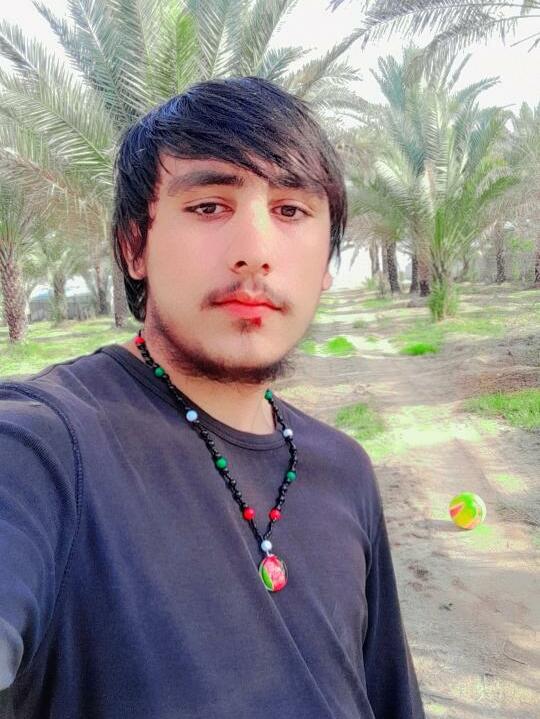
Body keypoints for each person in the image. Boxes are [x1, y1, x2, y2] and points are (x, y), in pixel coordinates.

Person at [0, 77, 425, 719]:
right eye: (208, 206)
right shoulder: (46, 448)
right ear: (134, 247)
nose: (254, 253)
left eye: (291, 211)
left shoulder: (344, 469)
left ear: (326, 264)